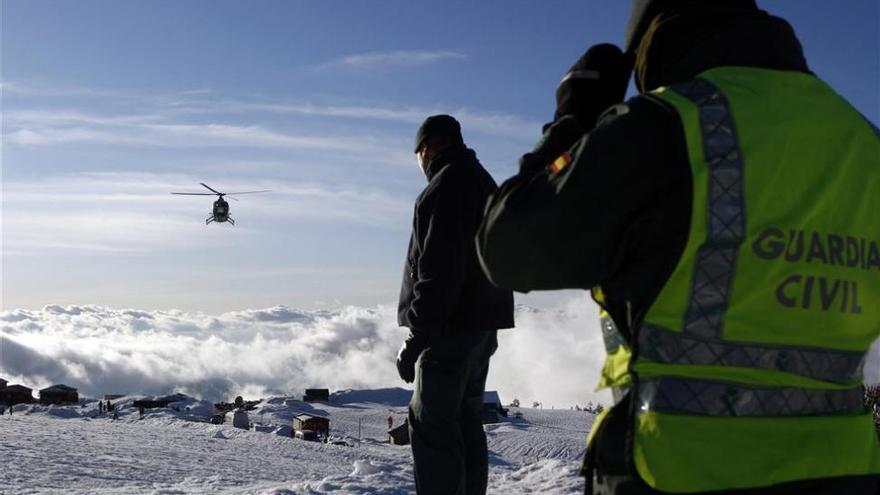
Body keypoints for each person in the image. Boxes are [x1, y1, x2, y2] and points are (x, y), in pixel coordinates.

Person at [476, 1, 880, 494]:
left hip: (681, 468)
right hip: (844, 467)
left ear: (651, 41)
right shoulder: (863, 139)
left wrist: (572, 126)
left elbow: (510, 249)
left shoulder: (668, 124)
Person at [397, 114, 515, 495]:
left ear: (426, 147)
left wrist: (417, 337)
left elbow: (438, 270)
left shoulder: (445, 188)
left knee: (432, 429)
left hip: (448, 332)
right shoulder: (482, 181)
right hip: (481, 329)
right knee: (465, 424)